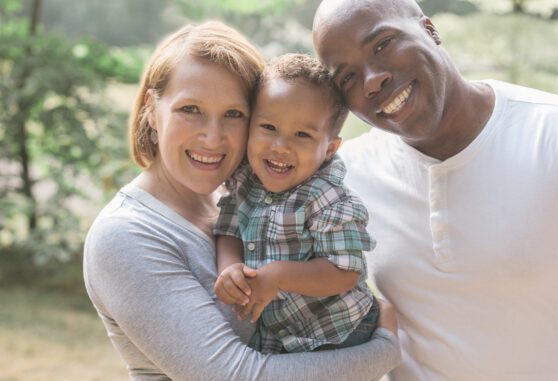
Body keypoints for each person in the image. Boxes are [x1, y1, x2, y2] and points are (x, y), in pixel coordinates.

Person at [311, 0, 558, 380]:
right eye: (347, 78)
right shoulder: (345, 179)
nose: (372, 79)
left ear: (430, 29)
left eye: (383, 44)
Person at [83, 21, 400, 381]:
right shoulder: (126, 235)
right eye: (190, 109)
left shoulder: (245, 199)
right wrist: (382, 352)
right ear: (151, 111)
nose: (213, 137)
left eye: (234, 114)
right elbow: (234, 376)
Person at [212, 53, 378, 354]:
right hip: (284, 335)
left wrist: (279, 276)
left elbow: (345, 272)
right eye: (268, 128)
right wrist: (230, 267)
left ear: (329, 148)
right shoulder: (246, 181)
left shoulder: (328, 198)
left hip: (339, 330)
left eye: (302, 134)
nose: (280, 146)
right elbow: (229, 229)